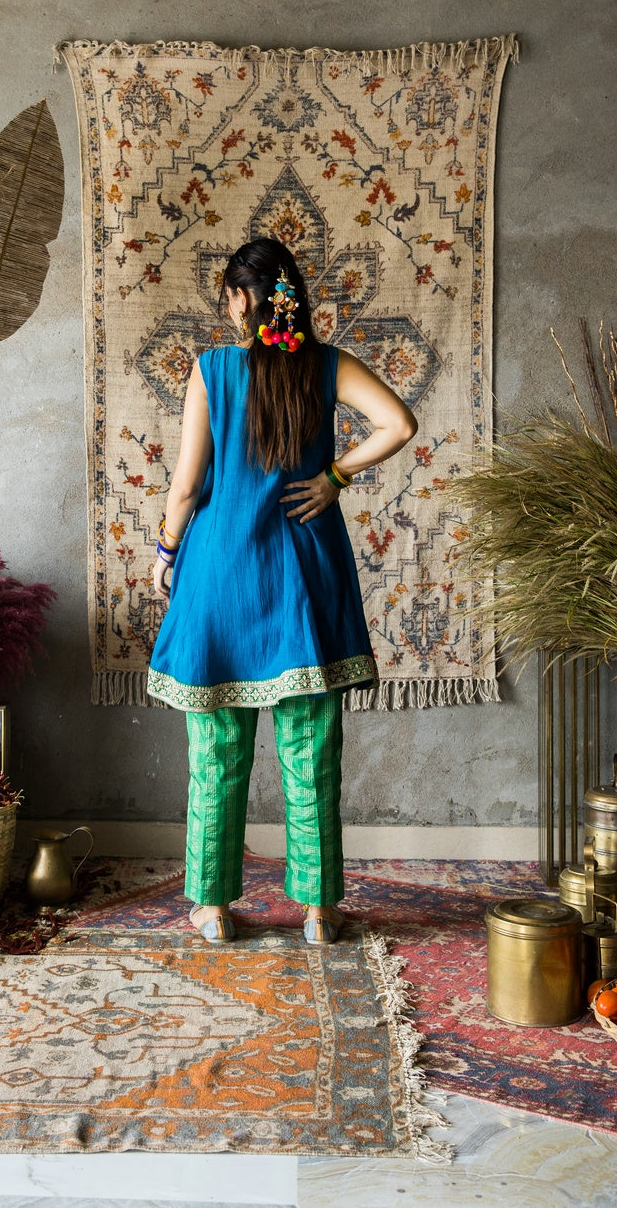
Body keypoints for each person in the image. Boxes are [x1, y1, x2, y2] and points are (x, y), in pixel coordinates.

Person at [148, 237, 417, 945]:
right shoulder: (327, 366)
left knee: (216, 751)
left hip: (223, 572)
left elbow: (186, 487)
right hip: (304, 572)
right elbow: (399, 424)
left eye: (229, 295)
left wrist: (166, 549)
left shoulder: (213, 370)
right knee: (312, 749)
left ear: (243, 298)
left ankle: (212, 908)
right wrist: (334, 477)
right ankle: (320, 911)